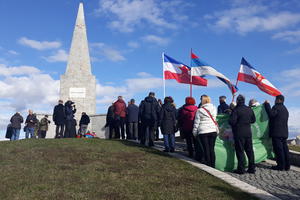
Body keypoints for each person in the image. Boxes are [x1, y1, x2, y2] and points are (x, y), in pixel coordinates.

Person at [229, 95, 256, 174]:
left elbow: (232, 122)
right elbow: (253, 120)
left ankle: (241, 169)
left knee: (240, 151)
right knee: (250, 151)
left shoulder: (236, 110)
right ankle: (252, 168)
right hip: (248, 132)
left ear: (237, 101)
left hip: (239, 133)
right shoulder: (249, 109)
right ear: (244, 101)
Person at [264, 95, 290, 171]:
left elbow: (271, 114)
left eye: (275, 99)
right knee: (285, 150)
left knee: (279, 150)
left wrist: (267, 104)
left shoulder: (276, 107)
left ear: (279, 100)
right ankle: (287, 166)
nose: (274, 101)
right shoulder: (285, 109)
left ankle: (280, 166)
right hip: (284, 133)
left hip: (277, 133)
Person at [193, 95, 218, 167]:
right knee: (211, 149)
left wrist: (194, 132)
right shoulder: (214, 108)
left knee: (206, 148)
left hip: (203, 131)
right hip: (213, 130)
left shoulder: (199, 110)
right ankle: (213, 164)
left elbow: (196, 122)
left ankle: (208, 163)